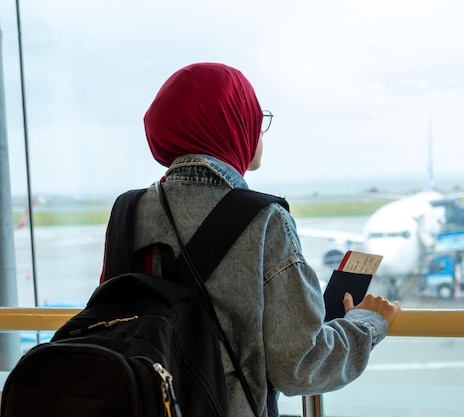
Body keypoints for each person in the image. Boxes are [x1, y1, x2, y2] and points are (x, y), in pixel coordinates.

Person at [100, 62, 401, 417]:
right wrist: (366, 324)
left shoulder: (127, 209)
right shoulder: (265, 220)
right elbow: (300, 366)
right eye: (254, 116)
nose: (259, 130)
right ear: (231, 124)